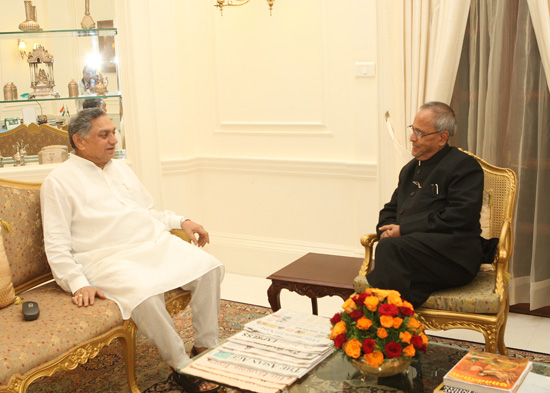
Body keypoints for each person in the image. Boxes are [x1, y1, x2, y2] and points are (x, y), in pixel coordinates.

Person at [40, 108, 222, 392]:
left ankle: (206, 347)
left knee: (210, 267)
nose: (114, 139)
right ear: (79, 140)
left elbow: (148, 212)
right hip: (105, 259)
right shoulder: (58, 182)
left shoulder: (121, 168)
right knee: (145, 296)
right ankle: (181, 365)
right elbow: (56, 244)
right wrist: (77, 283)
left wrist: (181, 221)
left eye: (114, 132)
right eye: (104, 134)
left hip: (151, 244)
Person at [365, 101, 484, 308]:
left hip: (453, 257)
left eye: (420, 133)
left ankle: (381, 321)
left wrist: (403, 230)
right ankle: (397, 324)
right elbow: (391, 208)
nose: (412, 138)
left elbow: (459, 216)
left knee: (390, 251)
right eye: (413, 130)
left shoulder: (464, 166)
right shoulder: (410, 169)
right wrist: (385, 229)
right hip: (412, 254)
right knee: (390, 249)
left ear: (442, 137)